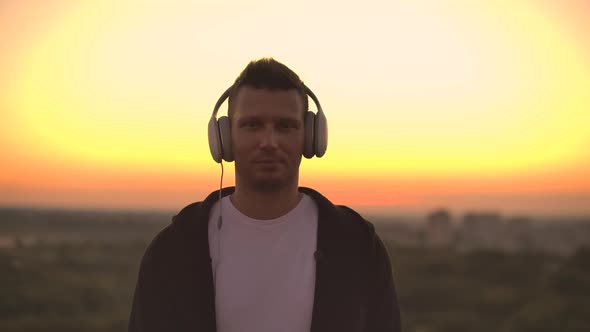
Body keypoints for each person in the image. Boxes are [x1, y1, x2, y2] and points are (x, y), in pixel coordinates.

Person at [128, 58, 401, 332]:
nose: (269, 142)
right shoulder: (174, 250)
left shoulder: (357, 245)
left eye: (286, 126)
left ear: (310, 137)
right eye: (252, 125)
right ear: (224, 138)